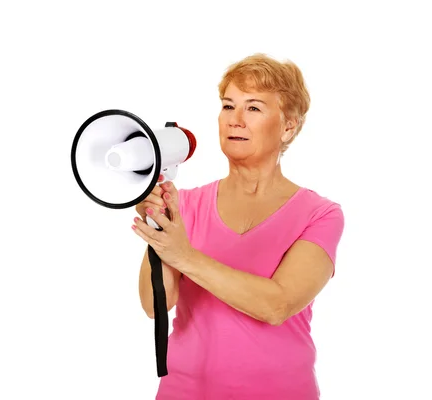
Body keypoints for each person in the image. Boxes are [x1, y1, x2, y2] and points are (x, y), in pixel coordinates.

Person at [133, 53, 345, 400]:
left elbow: (277, 305)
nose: (235, 120)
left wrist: (184, 255)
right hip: (185, 391)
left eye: (254, 108)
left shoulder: (320, 214)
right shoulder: (183, 205)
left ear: (288, 125)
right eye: (228, 106)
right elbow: (154, 304)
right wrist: (158, 227)